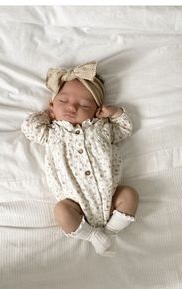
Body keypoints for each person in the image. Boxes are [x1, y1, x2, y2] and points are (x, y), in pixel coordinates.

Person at [21, 61, 139, 256]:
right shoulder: (53, 132)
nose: (72, 108)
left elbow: (125, 129)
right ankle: (92, 235)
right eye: (62, 101)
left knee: (130, 195)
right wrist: (47, 114)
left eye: (84, 104)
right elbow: (29, 128)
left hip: (110, 197)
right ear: (52, 104)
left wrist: (115, 113)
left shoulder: (102, 128)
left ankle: (110, 232)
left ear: (97, 110)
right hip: (74, 203)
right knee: (61, 211)